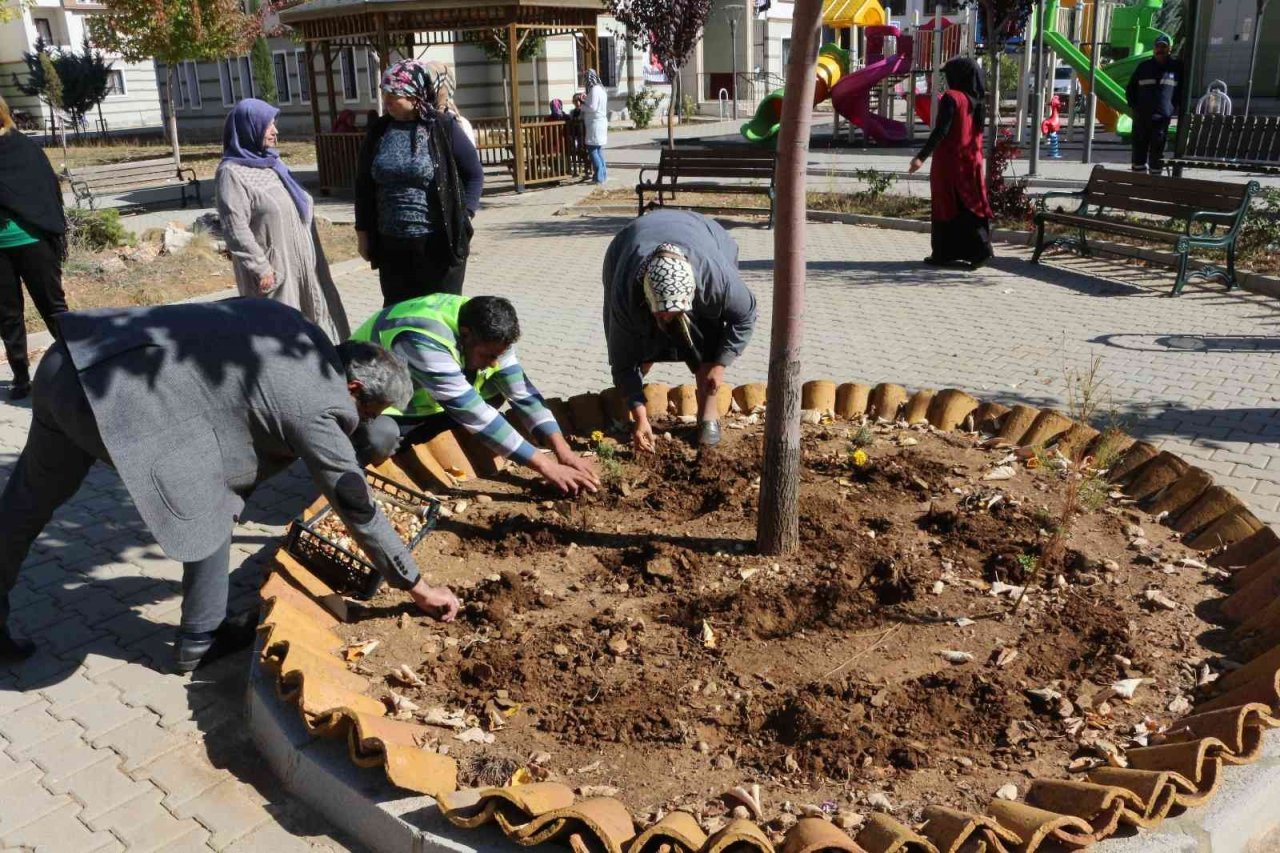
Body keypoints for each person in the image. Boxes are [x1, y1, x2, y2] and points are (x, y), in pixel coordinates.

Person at [0, 299, 460, 670]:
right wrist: (415, 584)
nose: (366, 423)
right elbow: (353, 502)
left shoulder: (298, 329)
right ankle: (200, 639)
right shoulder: (318, 407)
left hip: (72, 360)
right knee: (212, 500)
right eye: (370, 412)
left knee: (29, 497)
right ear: (355, 388)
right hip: (115, 399)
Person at [352, 294, 600, 496]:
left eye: (498, 356)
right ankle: (365, 469)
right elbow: (474, 413)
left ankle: (443, 438)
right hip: (384, 406)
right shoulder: (421, 338)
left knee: (495, 387)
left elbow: (522, 393)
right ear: (466, 334)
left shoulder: (488, 328)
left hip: (433, 398)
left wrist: (563, 451)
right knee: (379, 437)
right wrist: (546, 466)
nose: (493, 363)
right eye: (488, 355)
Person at [602, 210, 757, 451]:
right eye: (662, 314)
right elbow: (622, 360)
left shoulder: (715, 282)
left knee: (708, 336)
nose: (669, 319)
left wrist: (720, 365)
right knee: (638, 346)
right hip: (628, 246)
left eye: (675, 313)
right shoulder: (626, 295)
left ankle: (708, 416)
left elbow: (745, 317)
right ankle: (635, 411)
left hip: (704, 234)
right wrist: (642, 419)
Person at [217, 98, 350, 341]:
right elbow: (234, 227)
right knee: (282, 336)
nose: (275, 131)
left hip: (304, 264)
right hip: (275, 271)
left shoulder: (273, 164)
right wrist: (261, 267)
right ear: (250, 127)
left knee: (314, 328)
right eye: (269, 125)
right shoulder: (231, 173)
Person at [356, 59, 484, 307]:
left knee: (439, 312)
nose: (387, 101)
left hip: (437, 243)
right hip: (392, 244)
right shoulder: (379, 131)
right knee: (397, 313)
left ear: (416, 96)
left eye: (395, 95)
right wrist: (363, 234)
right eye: (385, 94)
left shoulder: (443, 127)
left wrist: (465, 213)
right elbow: (363, 186)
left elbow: (474, 174)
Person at [0, 93, 68, 403]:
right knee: (7, 315)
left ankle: (78, 364)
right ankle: (20, 376)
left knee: (53, 308)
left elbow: (46, 191)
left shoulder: (24, 148)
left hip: (32, 241)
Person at [908, 57, 994, 269]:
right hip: (972, 160)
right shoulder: (978, 100)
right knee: (970, 205)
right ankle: (974, 250)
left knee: (948, 206)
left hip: (950, 163)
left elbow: (941, 131)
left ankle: (951, 252)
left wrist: (921, 156)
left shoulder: (952, 98)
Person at [1126, 35, 1183, 174]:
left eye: (1163, 47)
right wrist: (1135, 107)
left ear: (1169, 49)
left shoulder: (1176, 69)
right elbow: (1130, 89)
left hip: (1162, 118)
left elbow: (1180, 91)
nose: (1160, 50)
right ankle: (1139, 181)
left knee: (1157, 151)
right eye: (1158, 46)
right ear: (1153, 49)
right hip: (1142, 117)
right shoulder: (1144, 67)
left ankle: (1154, 181)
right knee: (1139, 149)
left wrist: (1171, 109)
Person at [582, 69, 608, 184]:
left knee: (592, 150)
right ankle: (603, 175)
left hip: (595, 124)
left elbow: (592, 107)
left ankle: (598, 176)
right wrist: (585, 100)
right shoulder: (601, 89)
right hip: (600, 123)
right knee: (598, 150)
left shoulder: (594, 90)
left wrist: (581, 107)